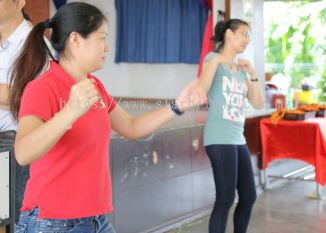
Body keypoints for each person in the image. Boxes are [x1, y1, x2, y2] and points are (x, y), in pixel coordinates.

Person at [9, 2, 204, 233]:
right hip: (54, 222)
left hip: (94, 220)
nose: (107, 47)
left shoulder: (94, 86)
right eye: (102, 37)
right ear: (75, 40)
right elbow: (23, 153)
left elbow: (131, 126)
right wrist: (69, 113)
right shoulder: (42, 88)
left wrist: (177, 106)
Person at [197, 19, 264, 233]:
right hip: (219, 137)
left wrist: (253, 74)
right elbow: (201, 91)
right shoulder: (212, 60)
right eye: (243, 34)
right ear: (228, 35)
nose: (247, 39)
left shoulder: (242, 69)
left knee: (249, 196)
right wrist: (216, 61)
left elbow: (258, 103)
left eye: (248, 35)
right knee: (226, 198)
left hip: (237, 139)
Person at [0, 0, 32, 224]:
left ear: (20, 2)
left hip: (11, 144)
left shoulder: (33, 43)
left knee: (11, 218)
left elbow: (28, 96)